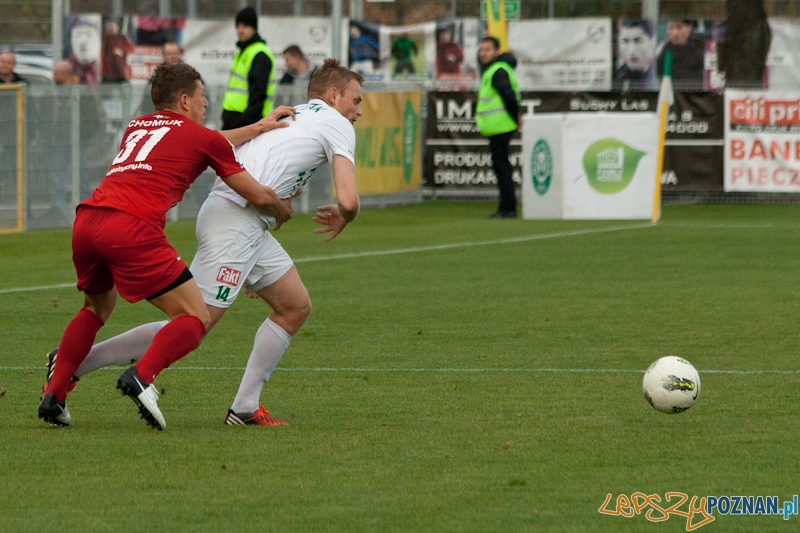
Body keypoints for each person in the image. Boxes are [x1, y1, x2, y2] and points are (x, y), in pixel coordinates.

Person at [44, 58, 363, 427]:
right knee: (194, 320)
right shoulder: (335, 123)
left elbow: (210, 142)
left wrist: (259, 130)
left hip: (113, 216)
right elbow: (344, 200)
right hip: (232, 218)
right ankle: (90, 365)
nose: (358, 110)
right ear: (334, 95)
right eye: (356, 100)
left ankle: (245, 405)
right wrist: (297, 209)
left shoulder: (144, 124)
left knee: (294, 305)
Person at [476, 36, 520, 219]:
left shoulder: (497, 71)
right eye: (481, 50)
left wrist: (515, 118)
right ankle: (506, 207)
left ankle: (507, 208)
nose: (483, 53)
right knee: (502, 167)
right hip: (498, 126)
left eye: (487, 49)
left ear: (496, 51)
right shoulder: (493, 70)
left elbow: (509, 96)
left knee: (502, 168)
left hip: (500, 126)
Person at [221, 7, 275, 130]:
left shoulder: (259, 54)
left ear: (254, 28)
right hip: (235, 118)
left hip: (246, 121)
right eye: (238, 26)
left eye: (245, 26)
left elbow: (258, 93)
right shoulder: (244, 51)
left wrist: (244, 121)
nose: (240, 30)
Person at [138, 41, 187, 116]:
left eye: (175, 53)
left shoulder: (189, 74)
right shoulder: (156, 77)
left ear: (180, 54)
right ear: (163, 55)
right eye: (169, 54)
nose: (173, 56)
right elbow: (147, 102)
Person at [656, 19, 706, 88]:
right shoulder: (667, 49)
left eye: (679, 28)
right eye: (670, 28)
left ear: (689, 27)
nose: (675, 33)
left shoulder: (702, 46)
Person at [614, 18, 657, 91]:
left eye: (638, 41)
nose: (631, 51)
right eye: (625, 41)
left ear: (652, 42)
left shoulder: (661, 73)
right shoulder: (616, 77)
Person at [67, 15, 102, 85]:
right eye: (77, 35)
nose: (83, 41)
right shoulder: (66, 69)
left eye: (89, 34)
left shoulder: (106, 67)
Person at [101, 17, 133, 83]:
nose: (110, 26)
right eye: (108, 24)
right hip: (107, 74)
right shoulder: (103, 37)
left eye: (113, 24)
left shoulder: (122, 38)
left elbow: (131, 51)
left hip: (120, 74)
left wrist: (122, 52)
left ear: (117, 26)